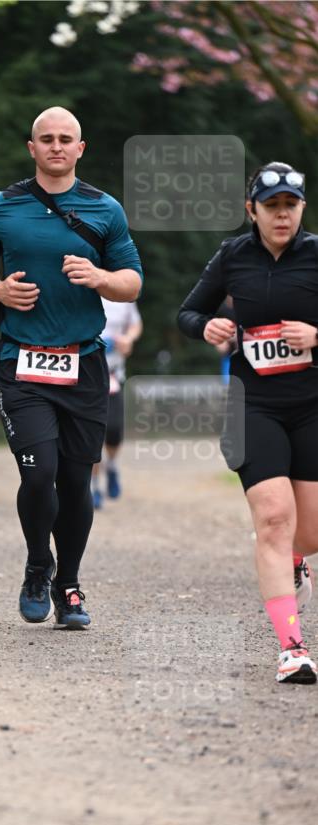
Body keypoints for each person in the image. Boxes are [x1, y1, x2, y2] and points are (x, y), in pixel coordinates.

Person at [0, 106, 143, 629]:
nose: (57, 146)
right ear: (32, 147)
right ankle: (38, 565)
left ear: (81, 149)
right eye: (47, 138)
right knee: (39, 475)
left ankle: (70, 584)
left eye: (67, 139)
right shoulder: (0, 206)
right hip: (20, 363)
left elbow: (132, 282)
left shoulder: (104, 209)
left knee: (75, 481)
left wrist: (99, 278)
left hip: (84, 364)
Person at [178, 162, 318, 684]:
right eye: (271, 206)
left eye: (291, 206)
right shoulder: (233, 255)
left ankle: (296, 558)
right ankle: (292, 648)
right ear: (251, 210)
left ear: (301, 208)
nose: (282, 215)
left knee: (308, 531)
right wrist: (208, 325)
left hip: (312, 404)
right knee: (274, 518)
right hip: (251, 403)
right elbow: (188, 314)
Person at [90, 299, 143, 508]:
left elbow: (136, 323)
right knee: (92, 433)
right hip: (85, 375)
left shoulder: (122, 293)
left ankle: (111, 466)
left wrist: (128, 338)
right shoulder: (78, 287)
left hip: (113, 375)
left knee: (113, 431)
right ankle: (94, 487)